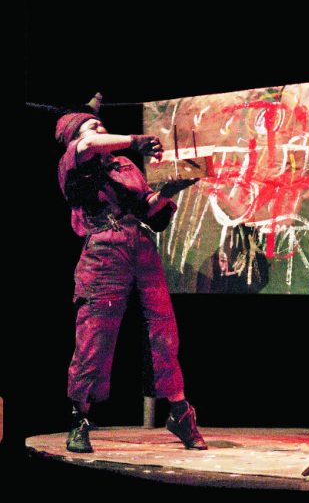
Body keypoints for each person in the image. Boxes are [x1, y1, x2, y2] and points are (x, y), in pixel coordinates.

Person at [56, 111, 206, 453]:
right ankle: (80, 417)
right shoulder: (73, 161)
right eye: (92, 126)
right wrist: (135, 140)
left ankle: (180, 412)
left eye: (100, 124)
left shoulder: (124, 165)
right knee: (95, 334)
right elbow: (89, 145)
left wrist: (168, 191)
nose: (100, 128)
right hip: (104, 250)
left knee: (163, 329)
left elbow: (148, 210)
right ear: (74, 136)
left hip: (140, 247)